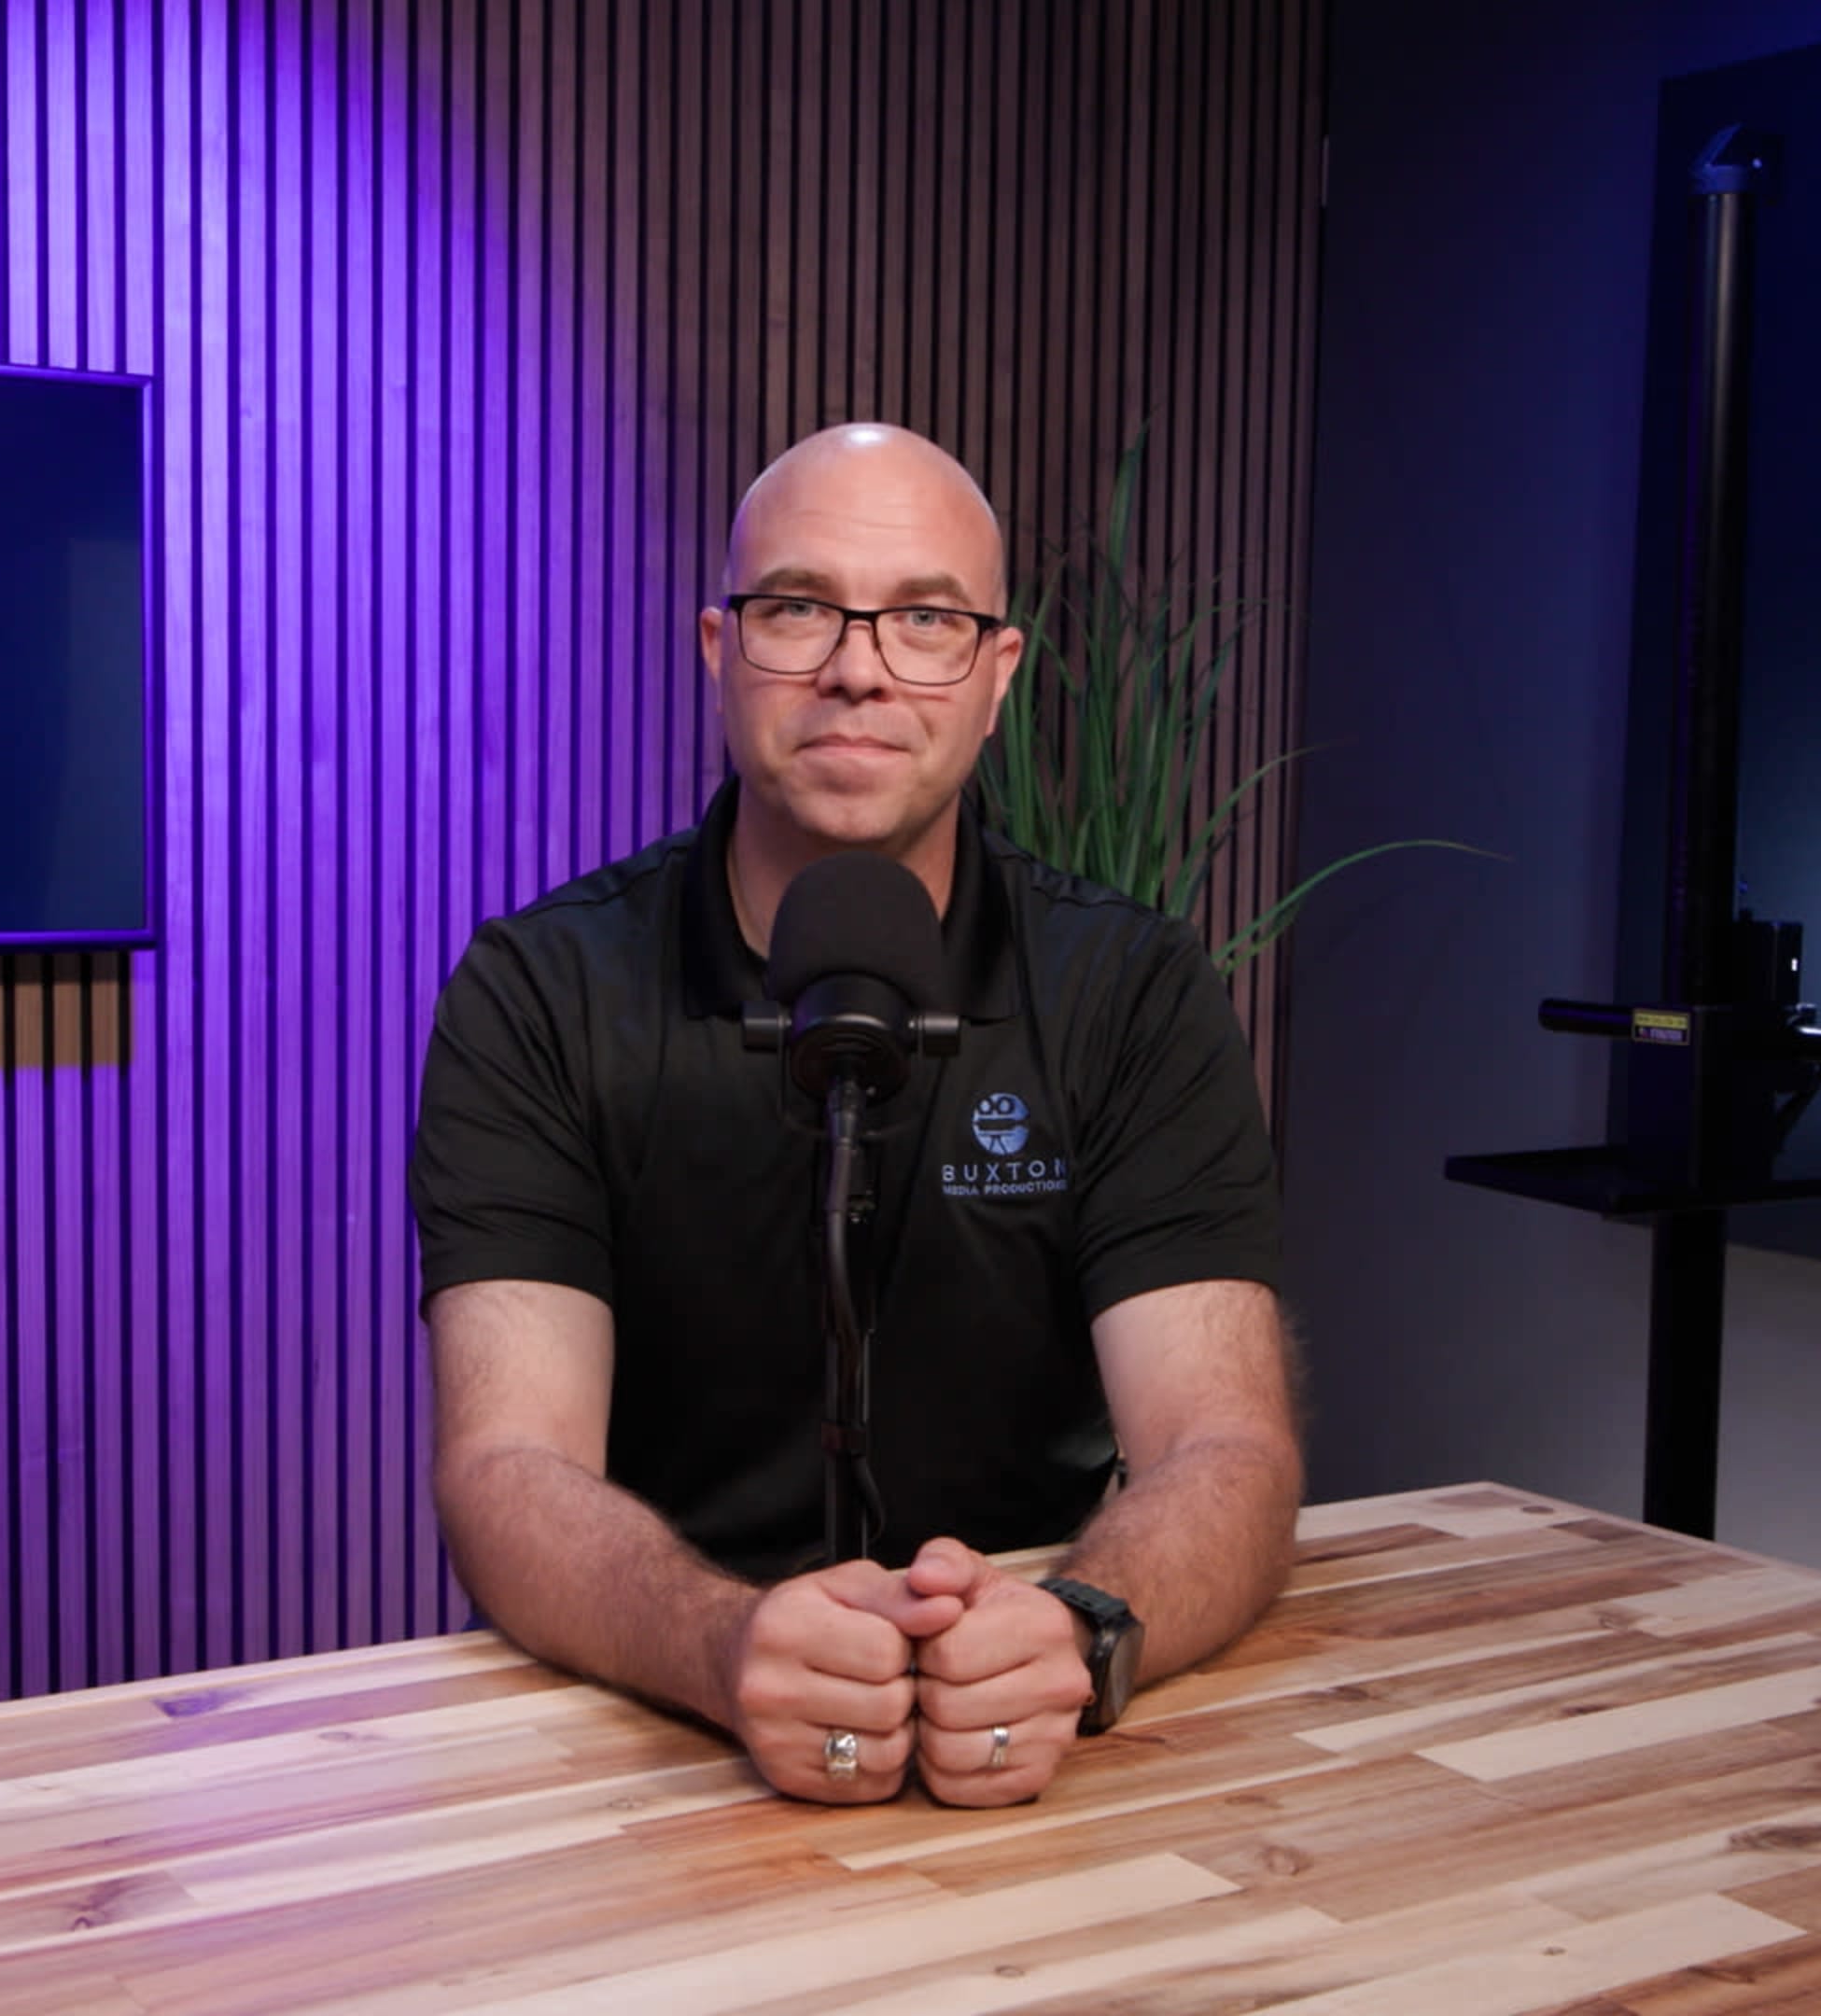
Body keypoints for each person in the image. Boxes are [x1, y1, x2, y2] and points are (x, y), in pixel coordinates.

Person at [408, 422, 1301, 1809]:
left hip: (1023, 1707)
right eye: (799, 609)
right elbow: (506, 1466)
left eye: (928, 619)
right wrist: (724, 1646)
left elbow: (1226, 1449)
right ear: (719, 649)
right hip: (652, 1727)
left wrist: (1081, 1626)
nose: (859, 667)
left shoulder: (1129, 988)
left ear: (997, 673)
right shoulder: (543, 991)